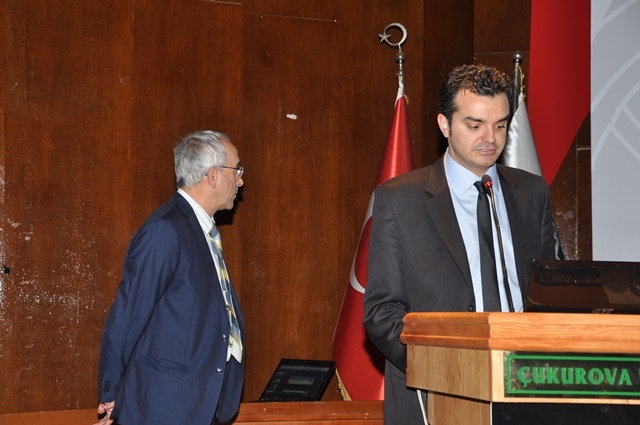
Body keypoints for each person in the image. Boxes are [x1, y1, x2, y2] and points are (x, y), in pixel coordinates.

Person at [363, 64, 557, 424]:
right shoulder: (400, 199)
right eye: (475, 125)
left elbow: (552, 295)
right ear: (444, 125)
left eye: (500, 125)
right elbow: (382, 312)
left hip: (527, 388)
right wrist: (445, 368)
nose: (490, 138)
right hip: (438, 393)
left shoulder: (532, 193)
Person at [94, 130, 245, 425]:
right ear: (213, 175)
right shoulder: (165, 230)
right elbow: (128, 315)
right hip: (166, 406)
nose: (240, 181)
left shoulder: (201, 231)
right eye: (236, 170)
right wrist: (111, 391)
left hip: (198, 403)